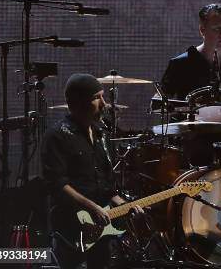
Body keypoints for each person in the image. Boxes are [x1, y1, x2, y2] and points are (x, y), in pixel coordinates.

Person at [42, 73, 144, 268]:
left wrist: (124, 205)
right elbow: (57, 184)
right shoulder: (57, 136)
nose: (104, 104)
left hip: (100, 227)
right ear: (77, 102)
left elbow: (106, 185)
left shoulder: (100, 135)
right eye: (97, 97)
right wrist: (92, 207)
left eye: (103, 96)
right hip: (71, 225)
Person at [160, 3, 221, 115]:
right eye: (217, 29)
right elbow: (159, 101)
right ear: (202, 30)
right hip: (190, 129)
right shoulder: (180, 64)